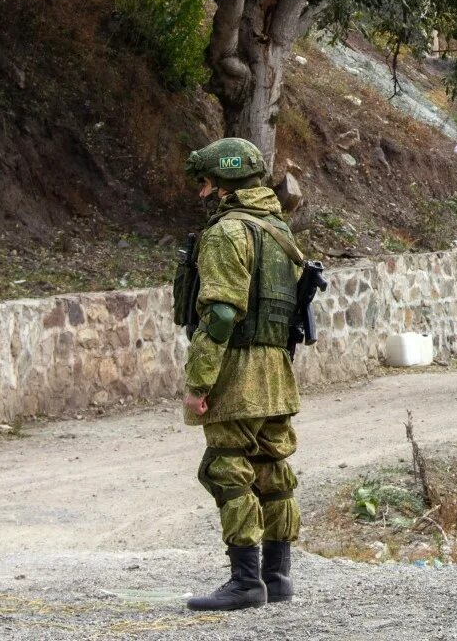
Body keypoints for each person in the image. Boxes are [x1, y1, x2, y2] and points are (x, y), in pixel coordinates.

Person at [182, 137, 304, 612]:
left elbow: (220, 316)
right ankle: (276, 577)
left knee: (227, 468)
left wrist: (198, 385)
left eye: (207, 184)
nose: (202, 194)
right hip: (277, 369)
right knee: (272, 469)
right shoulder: (278, 229)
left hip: (237, 369)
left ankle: (246, 581)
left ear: (225, 186)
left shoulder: (228, 233)